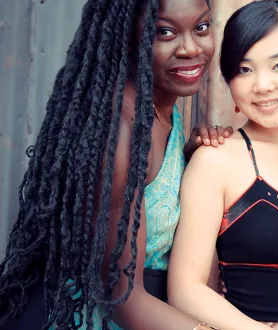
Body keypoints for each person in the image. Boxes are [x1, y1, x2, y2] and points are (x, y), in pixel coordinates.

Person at [0, 0, 217, 329]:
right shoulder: (122, 134)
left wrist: (192, 157)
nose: (191, 48)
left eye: (201, 27)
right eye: (165, 32)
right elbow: (123, 301)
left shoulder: (162, 107)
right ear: (128, 36)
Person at [167, 1, 278, 330]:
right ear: (228, 81)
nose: (262, 85)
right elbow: (185, 290)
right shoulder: (216, 159)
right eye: (245, 70)